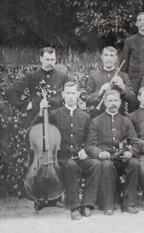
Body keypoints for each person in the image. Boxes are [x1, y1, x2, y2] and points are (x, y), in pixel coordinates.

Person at [33, 82, 101, 220]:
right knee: (70, 165)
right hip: (61, 158)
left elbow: (90, 139)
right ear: (63, 95)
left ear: (78, 95)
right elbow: (37, 127)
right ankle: (74, 207)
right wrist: (41, 112)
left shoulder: (85, 116)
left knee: (96, 164)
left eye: (73, 93)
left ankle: (87, 204)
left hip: (79, 157)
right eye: (68, 93)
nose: (70, 96)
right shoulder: (54, 114)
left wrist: (84, 149)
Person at [86, 90, 141, 215]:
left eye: (116, 100)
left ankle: (129, 203)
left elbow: (135, 142)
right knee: (106, 165)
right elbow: (89, 145)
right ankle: (108, 205)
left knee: (134, 164)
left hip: (122, 158)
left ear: (120, 102)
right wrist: (99, 153)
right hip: (106, 159)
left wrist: (131, 152)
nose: (113, 104)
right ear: (105, 102)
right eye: (110, 101)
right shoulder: (96, 121)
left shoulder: (126, 121)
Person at [6, 47, 68, 123]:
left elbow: (70, 94)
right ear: (41, 59)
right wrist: (25, 105)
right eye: (47, 60)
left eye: (52, 60)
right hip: (36, 118)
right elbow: (10, 92)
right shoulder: (31, 76)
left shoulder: (63, 77)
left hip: (57, 120)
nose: (50, 63)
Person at [84, 46, 136, 117]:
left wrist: (123, 87)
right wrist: (99, 93)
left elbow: (133, 100)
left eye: (111, 55)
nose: (108, 58)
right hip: (99, 116)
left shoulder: (123, 76)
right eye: (106, 55)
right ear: (102, 57)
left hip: (119, 117)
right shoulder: (94, 76)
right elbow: (87, 99)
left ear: (116, 58)